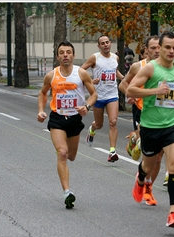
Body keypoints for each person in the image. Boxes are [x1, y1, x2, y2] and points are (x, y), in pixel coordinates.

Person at [126, 31, 174, 228]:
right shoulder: (150, 69)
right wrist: (155, 91)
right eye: (167, 47)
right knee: (148, 165)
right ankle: (141, 177)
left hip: (173, 125)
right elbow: (130, 90)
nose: (171, 51)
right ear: (159, 48)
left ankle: (173, 213)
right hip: (151, 126)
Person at [37, 41, 98, 209]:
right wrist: (41, 110)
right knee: (62, 153)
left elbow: (94, 94)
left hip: (74, 119)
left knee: (71, 156)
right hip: (57, 118)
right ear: (57, 56)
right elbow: (42, 93)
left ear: (73, 55)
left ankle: (67, 187)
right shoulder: (51, 75)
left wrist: (86, 106)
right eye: (62, 52)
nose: (65, 55)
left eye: (68, 52)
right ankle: (67, 192)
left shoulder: (81, 74)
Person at [119, 35, 161, 206]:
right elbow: (123, 84)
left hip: (161, 114)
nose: (157, 51)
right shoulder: (138, 66)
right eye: (153, 48)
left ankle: (149, 186)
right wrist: (131, 96)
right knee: (148, 153)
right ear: (146, 50)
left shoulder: (169, 67)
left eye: (160, 47)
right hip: (142, 112)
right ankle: (136, 138)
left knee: (159, 157)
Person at [81, 35, 124, 162]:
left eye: (107, 42)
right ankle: (92, 130)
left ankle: (112, 151)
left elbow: (114, 71)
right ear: (99, 46)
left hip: (112, 95)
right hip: (98, 96)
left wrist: (123, 78)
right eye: (102, 43)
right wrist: (90, 80)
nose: (105, 45)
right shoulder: (95, 58)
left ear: (110, 43)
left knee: (113, 122)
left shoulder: (115, 57)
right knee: (99, 124)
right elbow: (81, 70)